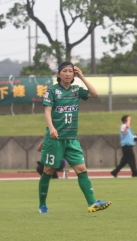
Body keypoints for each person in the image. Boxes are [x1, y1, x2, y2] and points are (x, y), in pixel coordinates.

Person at [37, 62, 111, 214]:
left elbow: (95, 94)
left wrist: (82, 76)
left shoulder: (76, 90)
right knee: (49, 170)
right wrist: (51, 127)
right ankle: (42, 204)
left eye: (71, 71)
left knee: (81, 169)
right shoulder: (52, 91)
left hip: (71, 138)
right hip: (55, 139)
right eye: (64, 71)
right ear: (58, 74)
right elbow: (47, 111)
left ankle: (92, 203)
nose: (68, 74)